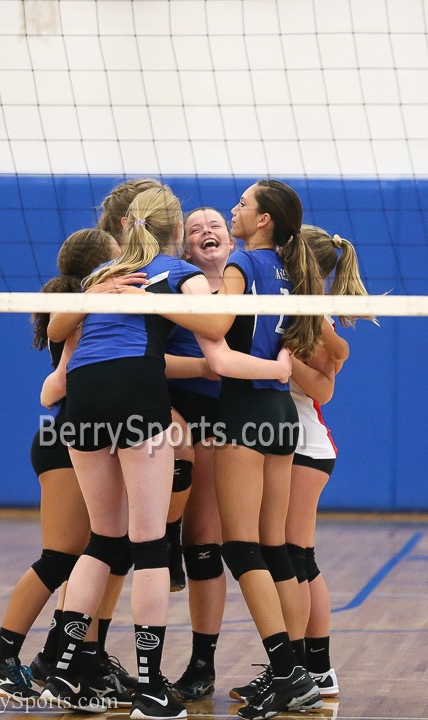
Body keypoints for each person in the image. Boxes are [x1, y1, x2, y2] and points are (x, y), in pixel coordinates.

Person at [40, 185, 292, 719]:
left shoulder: (100, 276)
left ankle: (59, 671)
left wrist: (97, 295)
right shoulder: (177, 274)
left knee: (102, 542)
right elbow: (219, 326)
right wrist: (160, 301)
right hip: (138, 395)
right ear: (176, 232)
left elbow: (57, 327)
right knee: (150, 544)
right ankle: (152, 690)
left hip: (83, 402)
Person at [0, 228, 132, 707]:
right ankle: (0, 658)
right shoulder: (83, 310)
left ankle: (69, 662)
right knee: (61, 557)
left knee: (94, 555)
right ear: (99, 267)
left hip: (78, 441)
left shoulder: (85, 306)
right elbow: (55, 387)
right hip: (66, 442)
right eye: (116, 256)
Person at [206, 180, 325, 719]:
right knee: (279, 549)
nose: (234, 209)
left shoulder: (243, 265)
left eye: (243, 204)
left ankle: (284, 673)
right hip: (281, 413)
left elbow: (217, 323)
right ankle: (298, 670)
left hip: (246, 407)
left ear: (264, 221)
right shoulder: (291, 269)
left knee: (241, 547)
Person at [285, 225, 375, 699]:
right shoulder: (296, 306)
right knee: (295, 555)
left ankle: (311, 668)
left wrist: (285, 361)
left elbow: (323, 387)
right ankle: (311, 668)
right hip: (290, 443)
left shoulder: (312, 314)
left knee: (296, 557)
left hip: (306, 445)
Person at [165, 207, 233, 701]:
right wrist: (203, 368)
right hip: (166, 415)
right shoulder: (172, 288)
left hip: (227, 419)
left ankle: (201, 664)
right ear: (186, 248)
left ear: (231, 243)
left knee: (205, 544)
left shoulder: (247, 287)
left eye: (217, 227)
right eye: (196, 229)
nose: (207, 232)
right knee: (131, 541)